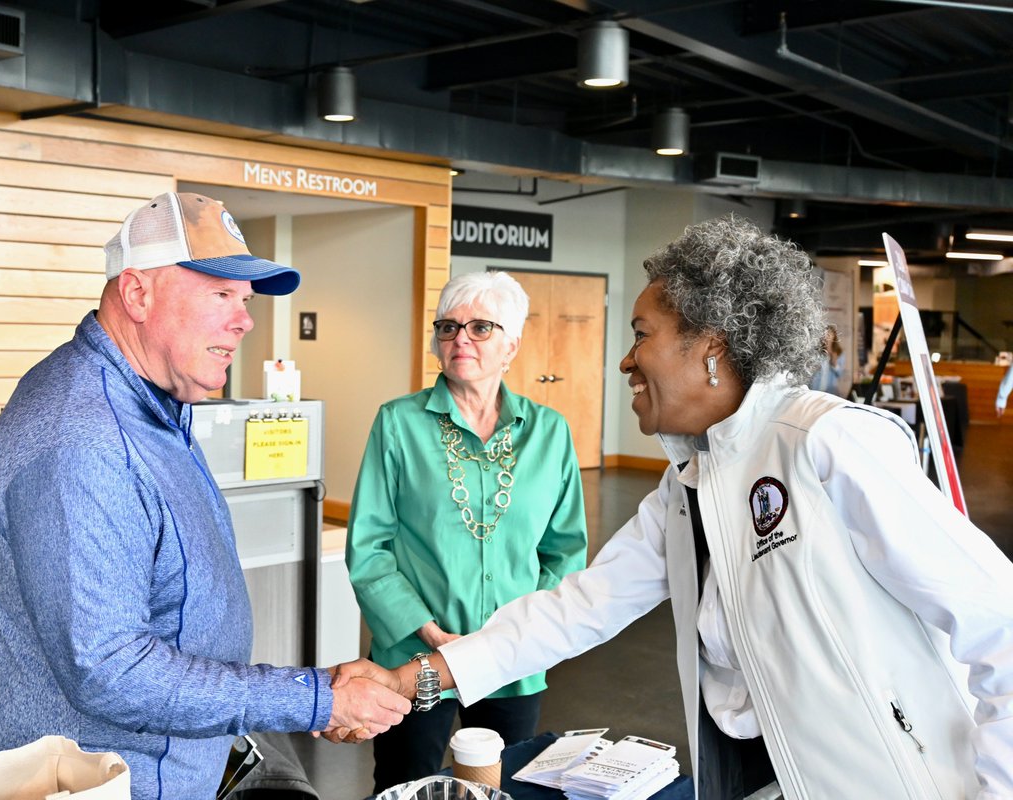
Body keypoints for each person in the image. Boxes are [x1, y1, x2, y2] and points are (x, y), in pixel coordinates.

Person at [339, 216, 1013, 800]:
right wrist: (412, 680)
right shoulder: (689, 486)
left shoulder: (825, 443)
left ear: (711, 346)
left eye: (642, 333)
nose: (628, 360)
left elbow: (999, 626)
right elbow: (580, 608)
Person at [0, 192, 410, 800]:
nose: (244, 320)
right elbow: (109, 670)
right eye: (219, 294)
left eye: (245, 300)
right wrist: (312, 700)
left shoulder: (155, 405)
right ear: (137, 294)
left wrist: (313, 695)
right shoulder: (84, 442)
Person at [346, 270, 588, 792]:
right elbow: (369, 549)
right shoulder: (398, 423)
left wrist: (523, 630)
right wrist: (429, 633)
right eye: (448, 327)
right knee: (404, 784)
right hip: (415, 656)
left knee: (508, 785)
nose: (461, 340)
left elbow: (565, 551)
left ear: (512, 345)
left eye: (481, 328)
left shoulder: (550, 432)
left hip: (512, 659)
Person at [806, 324, 843, 395]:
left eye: (829, 334)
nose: (827, 336)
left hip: (830, 392)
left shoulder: (839, 353)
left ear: (834, 336)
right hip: (815, 390)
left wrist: (834, 364)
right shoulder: (816, 351)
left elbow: (840, 374)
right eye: (825, 334)